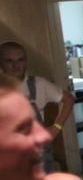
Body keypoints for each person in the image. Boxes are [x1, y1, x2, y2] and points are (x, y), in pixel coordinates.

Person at [0, 40, 74, 173]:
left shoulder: (38, 84)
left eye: (20, 60)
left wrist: (55, 128)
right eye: (9, 61)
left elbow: (69, 100)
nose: (16, 65)